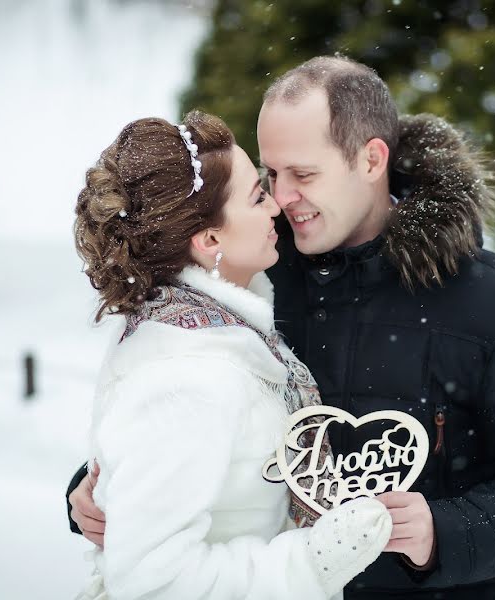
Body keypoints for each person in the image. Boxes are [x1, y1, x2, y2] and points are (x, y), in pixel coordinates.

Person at [69, 56, 495, 600]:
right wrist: (97, 492)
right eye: (271, 174)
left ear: (371, 159)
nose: (281, 197)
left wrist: (443, 533)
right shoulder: (251, 283)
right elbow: (175, 422)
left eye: (304, 174)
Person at [70, 111, 393, 600]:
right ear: (209, 239)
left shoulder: (222, 338)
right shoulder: (189, 375)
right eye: (258, 196)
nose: (276, 208)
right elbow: (153, 582)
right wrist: (311, 560)